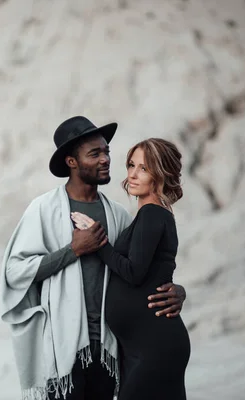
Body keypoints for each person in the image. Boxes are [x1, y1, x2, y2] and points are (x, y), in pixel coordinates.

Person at [0, 116, 187, 400]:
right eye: (95, 153)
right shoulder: (44, 210)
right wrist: (72, 250)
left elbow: (141, 268)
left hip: (111, 348)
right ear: (72, 162)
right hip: (65, 345)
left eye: (107, 152)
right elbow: (14, 271)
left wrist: (178, 291)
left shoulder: (119, 215)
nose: (105, 159)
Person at [70, 138, 190, 400]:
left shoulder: (152, 214)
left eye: (144, 168)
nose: (133, 174)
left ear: (161, 173)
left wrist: (97, 241)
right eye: (131, 165)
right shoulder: (149, 215)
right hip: (143, 346)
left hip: (155, 346)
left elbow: (134, 272)